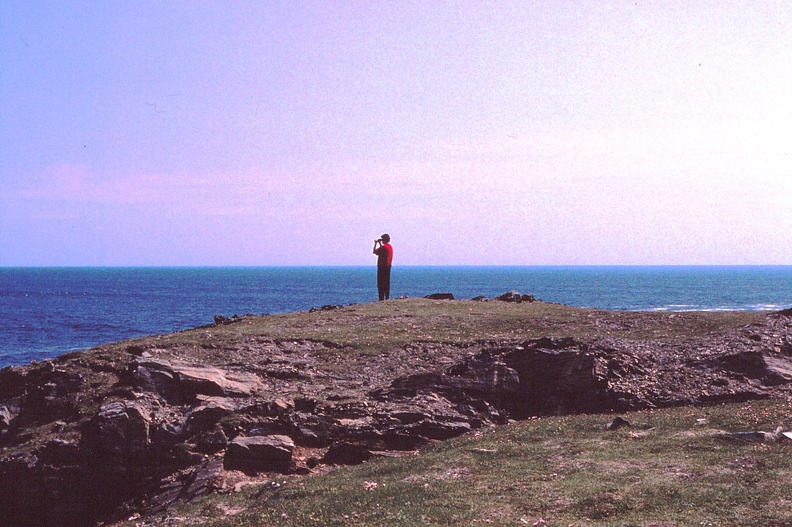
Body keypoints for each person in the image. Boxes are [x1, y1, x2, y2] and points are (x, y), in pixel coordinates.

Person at [372, 233, 393, 300]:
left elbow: (375, 251)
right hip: (388, 267)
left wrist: (375, 243)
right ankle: (387, 297)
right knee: (386, 283)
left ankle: (381, 298)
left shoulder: (384, 247)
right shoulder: (390, 247)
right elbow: (382, 251)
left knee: (380, 283)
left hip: (382, 267)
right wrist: (380, 244)